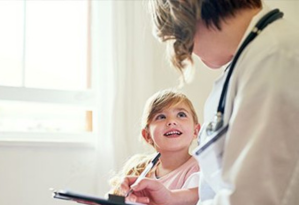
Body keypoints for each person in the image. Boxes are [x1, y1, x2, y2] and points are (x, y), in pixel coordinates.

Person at [121, 1, 299, 205]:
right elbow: (217, 191)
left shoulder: (276, 59)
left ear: (186, 15)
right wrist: (170, 198)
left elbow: (255, 198)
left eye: (178, 38)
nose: (185, 50)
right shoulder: (250, 59)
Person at [108, 89, 201, 204]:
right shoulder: (139, 169)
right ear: (147, 135)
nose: (171, 121)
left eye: (181, 115)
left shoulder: (199, 169)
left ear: (196, 131)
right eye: (161, 117)